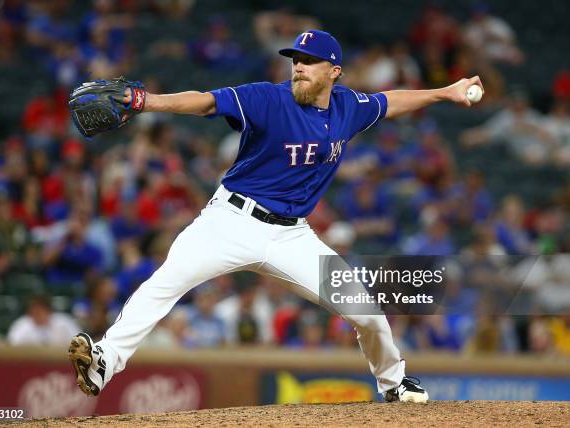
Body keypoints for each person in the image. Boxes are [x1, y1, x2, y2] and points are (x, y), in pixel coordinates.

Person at [69, 29, 484, 403]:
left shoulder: (347, 107)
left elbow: (389, 101)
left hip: (292, 237)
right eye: (295, 60)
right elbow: (206, 102)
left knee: (366, 311)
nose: (298, 67)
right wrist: (147, 101)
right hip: (230, 221)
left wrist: (444, 92)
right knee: (165, 282)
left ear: (334, 71)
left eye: (309, 61)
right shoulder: (269, 98)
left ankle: (395, 383)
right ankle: (104, 361)